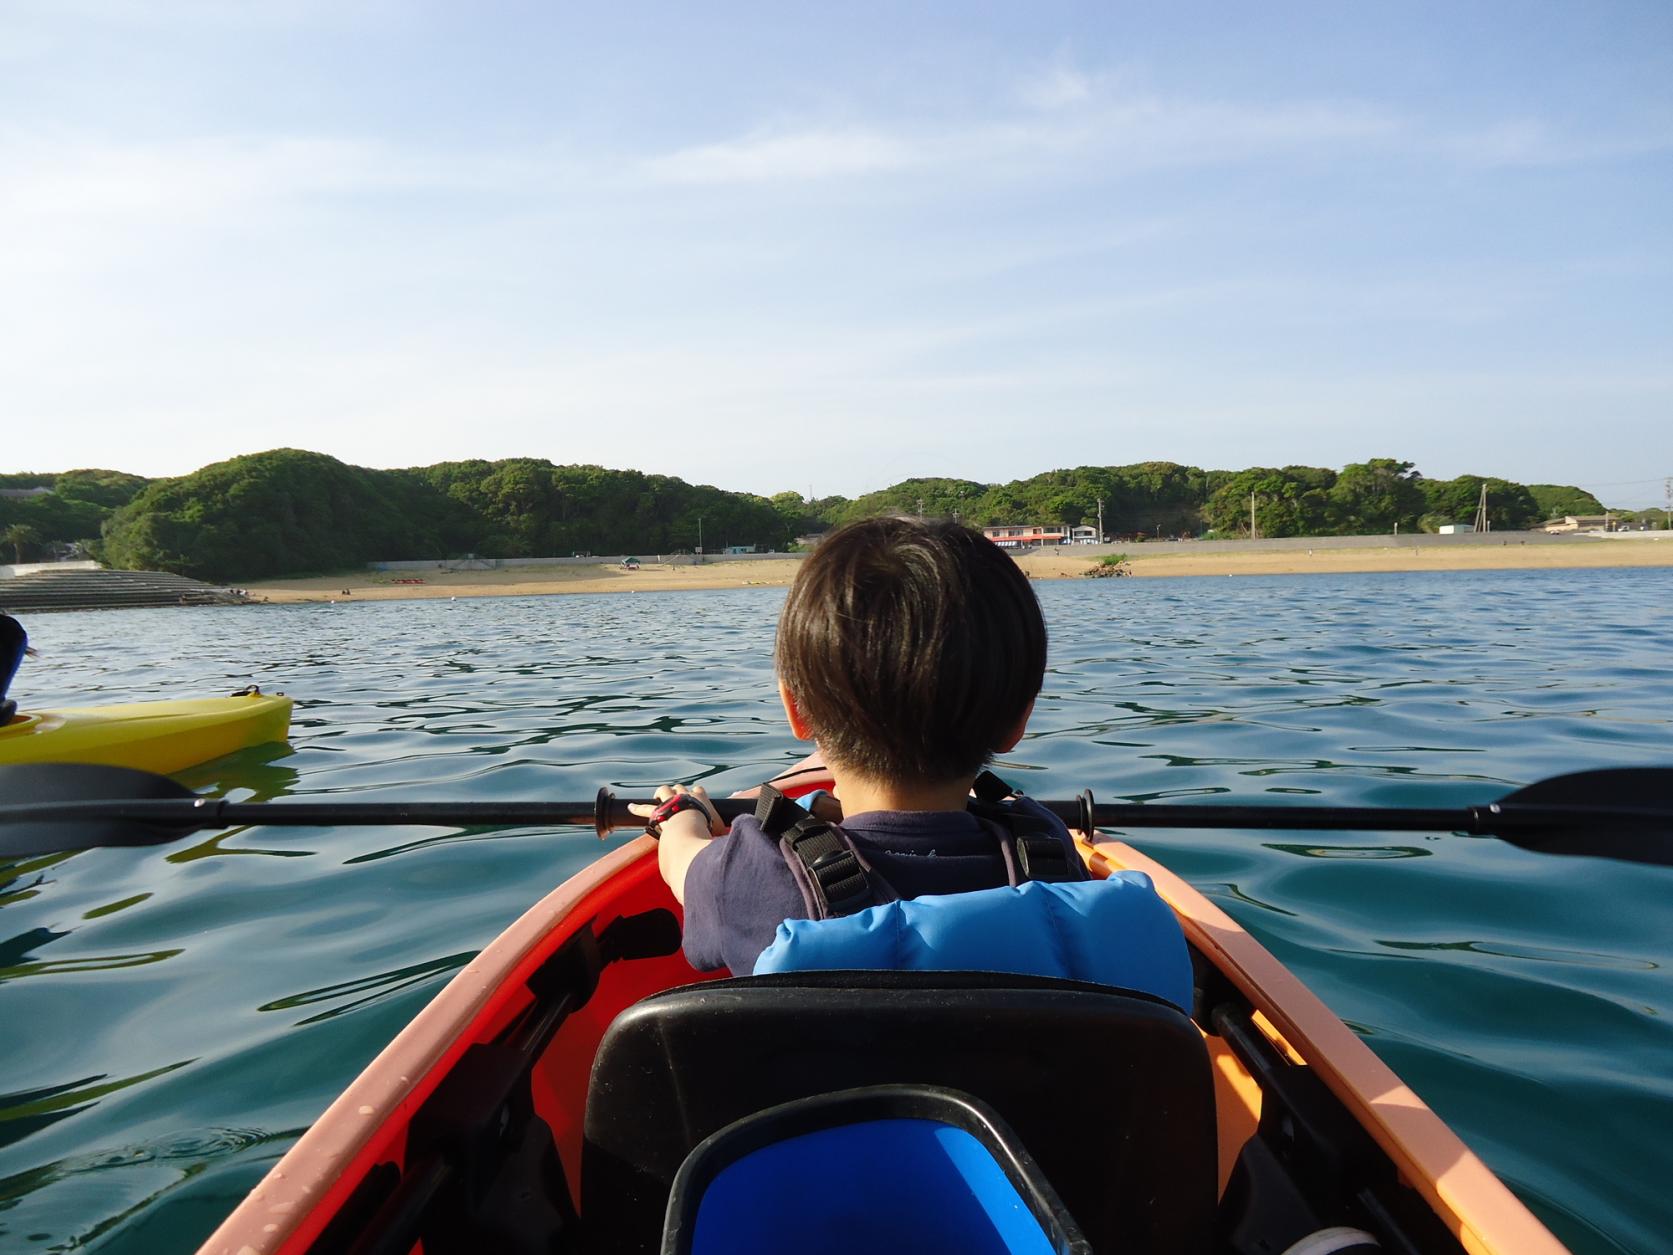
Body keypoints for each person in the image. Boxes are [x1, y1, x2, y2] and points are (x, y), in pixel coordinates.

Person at [630, 516, 1087, 976]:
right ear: (1018, 722)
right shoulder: (1050, 850)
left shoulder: (756, 874)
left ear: (796, 709)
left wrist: (680, 814)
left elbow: (681, 861)